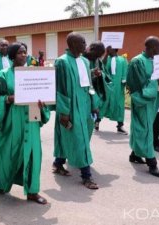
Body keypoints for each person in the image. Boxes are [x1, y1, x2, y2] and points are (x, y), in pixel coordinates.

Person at [0, 42, 50, 204]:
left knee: (33, 153)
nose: (24, 55)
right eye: (21, 52)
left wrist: (43, 104)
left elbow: (42, 93)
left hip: (32, 114)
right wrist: (9, 99)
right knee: (7, 153)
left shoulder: (33, 73)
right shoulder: (3, 75)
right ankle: (0, 183)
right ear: (13, 55)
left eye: (25, 52)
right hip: (10, 118)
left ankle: (32, 191)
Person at [53, 32, 100, 189]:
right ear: (72, 45)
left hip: (85, 105)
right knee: (78, 139)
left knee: (77, 136)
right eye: (82, 42)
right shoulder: (62, 62)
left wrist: (94, 103)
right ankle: (86, 176)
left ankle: (58, 163)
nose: (85, 45)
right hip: (70, 106)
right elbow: (60, 89)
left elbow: (89, 85)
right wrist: (64, 112)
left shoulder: (85, 62)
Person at [126, 36, 159, 177]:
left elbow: (158, 79)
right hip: (142, 99)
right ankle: (152, 162)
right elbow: (136, 85)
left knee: (145, 127)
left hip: (154, 99)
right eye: (158, 48)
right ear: (151, 48)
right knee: (144, 128)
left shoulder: (155, 60)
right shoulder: (137, 62)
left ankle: (134, 155)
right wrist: (156, 82)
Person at [83, 41, 110, 131]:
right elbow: (80, 75)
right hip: (85, 91)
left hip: (96, 89)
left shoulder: (97, 60)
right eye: (97, 54)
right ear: (92, 50)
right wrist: (91, 72)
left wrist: (100, 74)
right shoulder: (83, 58)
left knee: (95, 109)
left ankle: (96, 121)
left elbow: (104, 72)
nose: (97, 57)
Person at [103, 46, 128, 134]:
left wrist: (125, 81)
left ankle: (120, 126)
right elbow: (102, 65)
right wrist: (106, 54)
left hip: (118, 85)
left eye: (109, 49)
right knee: (104, 102)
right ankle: (97, 122)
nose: (108, 50)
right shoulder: (107, 58)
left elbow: (125, 70)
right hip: (108, 84)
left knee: (119, 104)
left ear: (114, 49)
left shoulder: (122, 59)